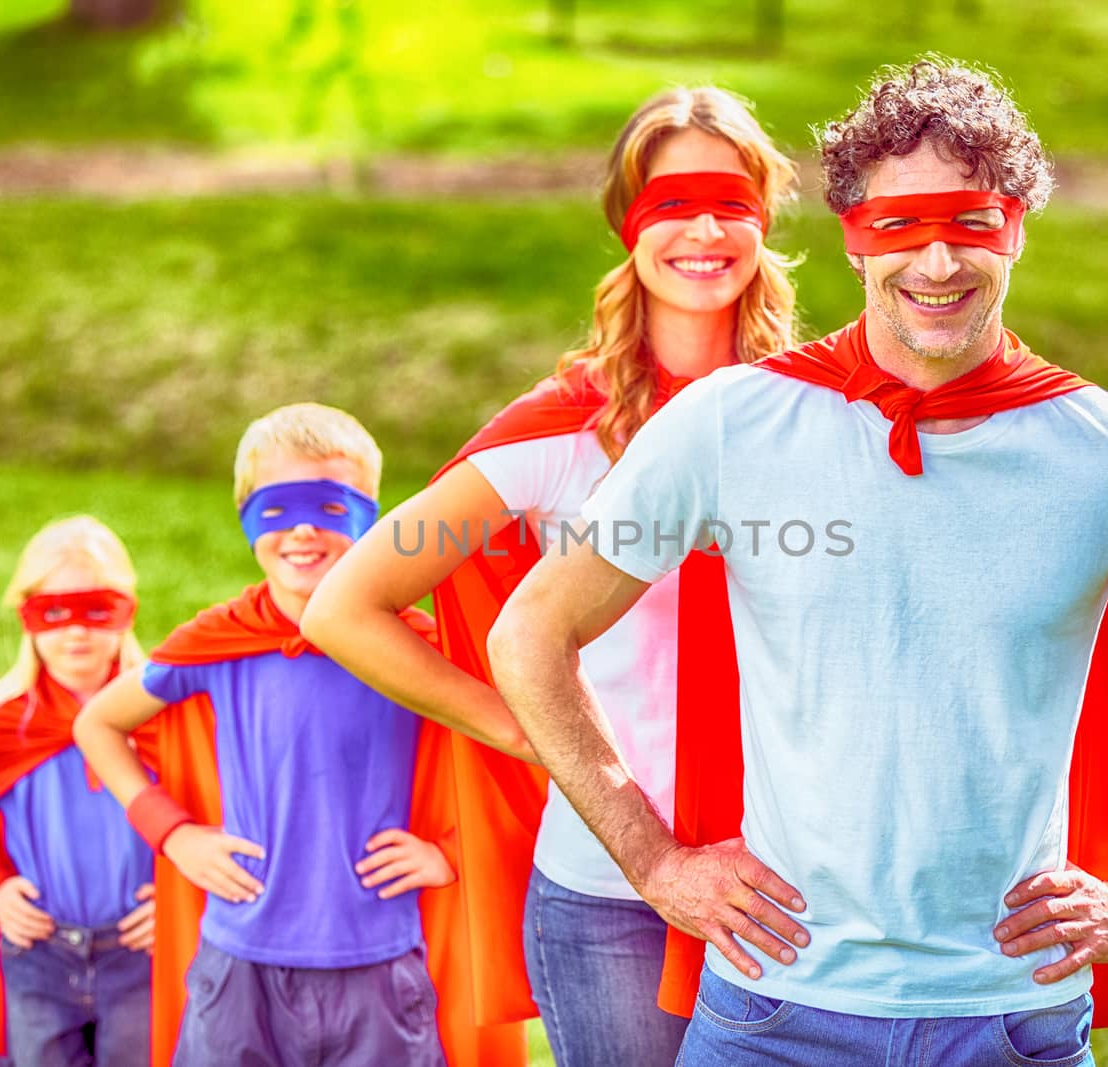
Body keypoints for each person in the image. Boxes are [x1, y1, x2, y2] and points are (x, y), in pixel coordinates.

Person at [486, 56, 1108, 1067]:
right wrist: (653, 860)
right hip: (769, 1012)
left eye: (968, 223)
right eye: (898, 227)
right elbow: (530, 630)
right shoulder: (733, 423)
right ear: (850, 239)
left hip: (1011, 1016)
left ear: (1014, 227)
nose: (935, 263)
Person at [299, 86, 799, 1067]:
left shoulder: (817, 411)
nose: (703, 228)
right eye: (671, 203)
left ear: (763, 218)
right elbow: (346, 604)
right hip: (610, 890)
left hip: (796, 879)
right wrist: (517, 726)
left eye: (730, 201)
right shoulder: (563, 429)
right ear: (627, 224)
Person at [72, 402, 485, 1066]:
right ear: (245, 519)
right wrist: (171, 832)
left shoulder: (411, 645)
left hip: (379, 961)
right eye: (276, 509)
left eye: (328, 508)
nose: (301, 531)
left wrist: (453, 851)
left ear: (368, 517)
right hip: (238, 961)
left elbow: (507, 748)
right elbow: (97, 721)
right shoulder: (219, 642)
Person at [0, 515, 157, 1067]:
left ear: (127, 612)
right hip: (38, 951)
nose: (76, 632)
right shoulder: (1, 722)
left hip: (139, 950)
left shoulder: (158, 716)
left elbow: (206, 808)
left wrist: (174, 895)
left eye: (97, 611)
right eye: (55, 612)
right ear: (28, 620)